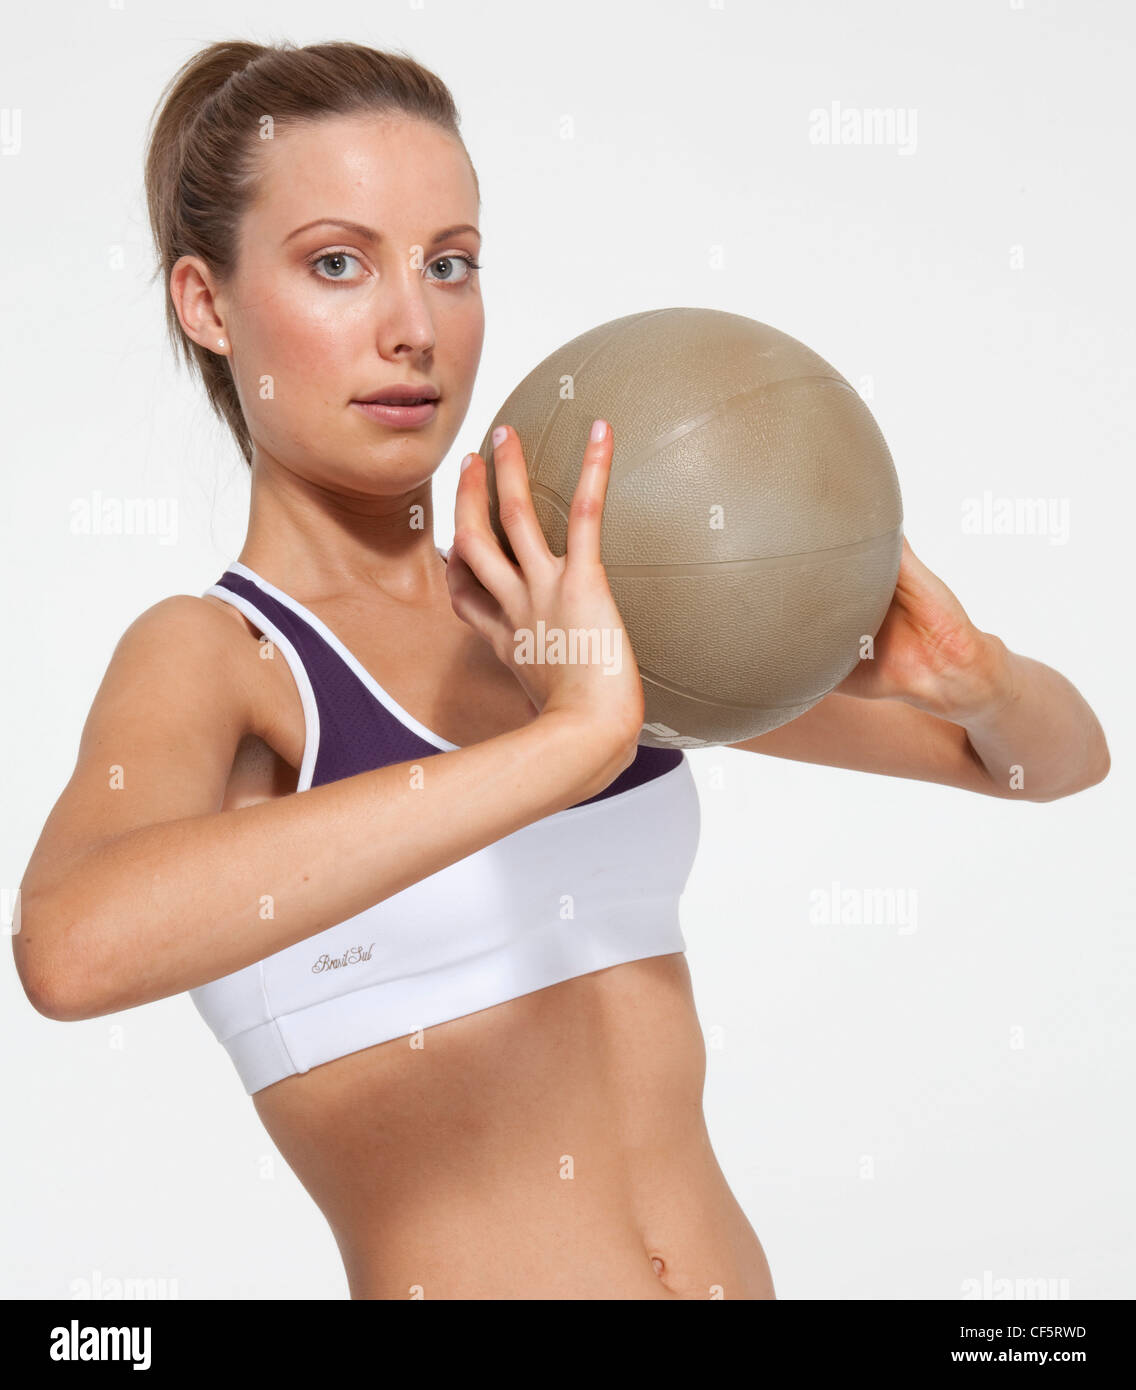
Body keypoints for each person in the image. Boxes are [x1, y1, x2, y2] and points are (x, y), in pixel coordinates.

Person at [12, 39, 1110, 1301]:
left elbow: (1047, 768)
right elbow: (69, 950)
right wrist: (566, 740)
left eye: (448, 264)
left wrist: (968, 677)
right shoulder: (226, 654)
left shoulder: (569, 592)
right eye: (335, 264)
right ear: (207, 305)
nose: (412, 327)